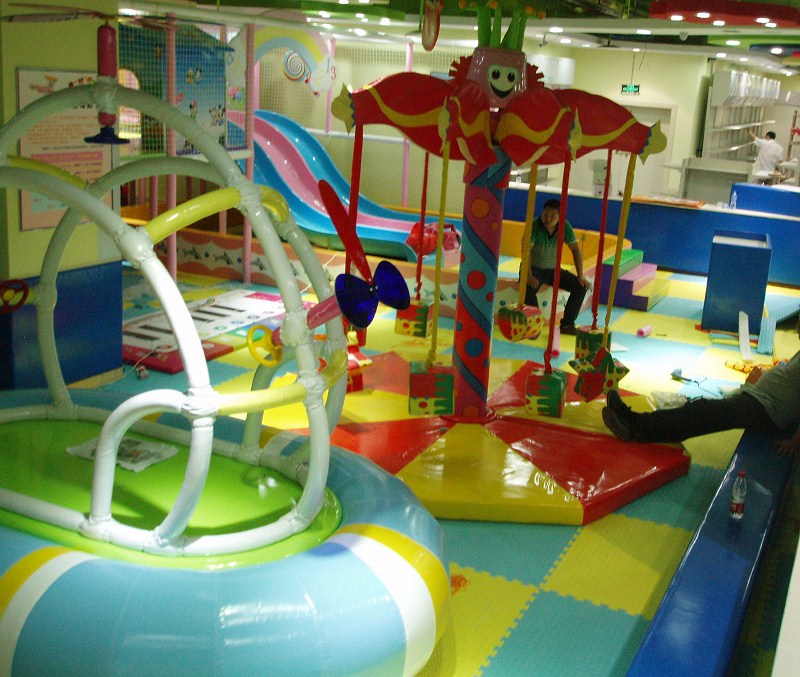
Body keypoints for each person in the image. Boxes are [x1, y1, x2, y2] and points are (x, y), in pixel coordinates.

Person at [602, 315, 800, 455]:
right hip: (760, 400)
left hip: (766, 410)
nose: (797, 324)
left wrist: (795, 442)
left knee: (701, 413)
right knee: (699, 411)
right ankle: (632, 421)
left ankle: (633, 426)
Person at [524, 199, 590, 335]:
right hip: (534, 269)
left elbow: (576, 250)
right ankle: (533, 326)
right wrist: (529, 275)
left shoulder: (565, 227)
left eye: (552, 216)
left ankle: (567, 324)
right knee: (528, 288)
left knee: (580, 287)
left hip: (554, 270)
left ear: (560, 217)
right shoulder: (534, 226)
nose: (548, 219)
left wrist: (580, 275)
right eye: (545, 215)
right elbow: (526, 252)